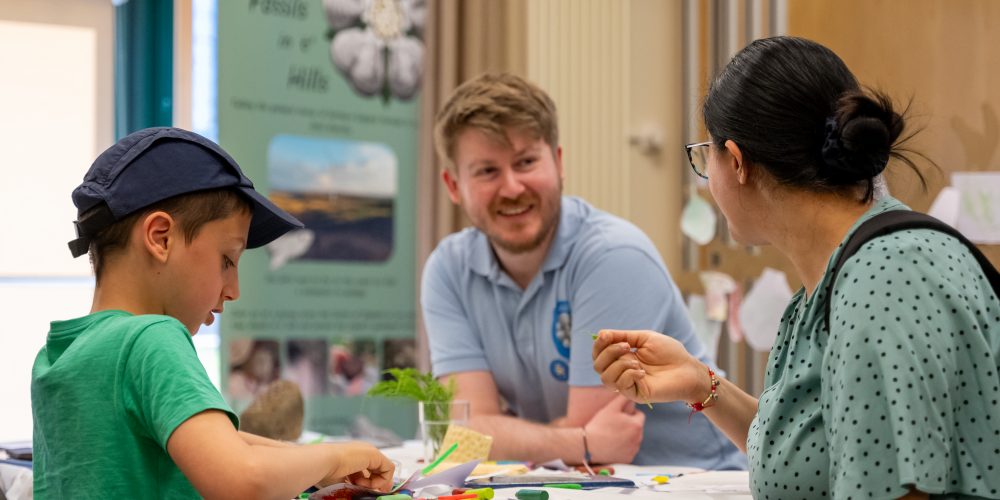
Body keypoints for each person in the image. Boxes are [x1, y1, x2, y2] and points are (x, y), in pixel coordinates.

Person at [593, 36, 1000, 499]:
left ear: (739, 163)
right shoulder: (838, 277)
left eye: (708, 157)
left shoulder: (883, 280)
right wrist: (703, 384)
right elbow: (810, 462)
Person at [31, 127, 394, 498]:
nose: (233, 290)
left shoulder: (59, 355)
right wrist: (334, 458)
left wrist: (311, 460)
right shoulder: (149, 339)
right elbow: (241, 480)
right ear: (161, 238)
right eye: (227, 260)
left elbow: (216, 441)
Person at [422, 73, 745, 469]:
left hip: (696, 483)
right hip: (575, 485)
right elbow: (464, 434)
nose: (511, 187)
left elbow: (598, 435)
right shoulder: (447, 270)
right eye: (487, 171)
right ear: (453, 185)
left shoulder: (613, 256)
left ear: (558, 163)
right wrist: (580, 441)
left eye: (526, 162)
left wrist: (517, 436)